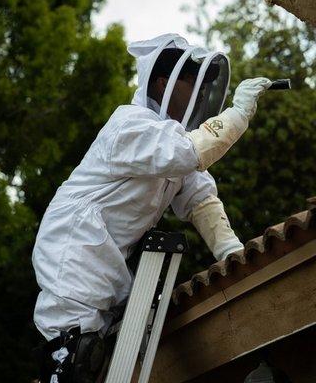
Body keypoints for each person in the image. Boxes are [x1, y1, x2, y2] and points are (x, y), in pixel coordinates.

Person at [32, 33, 271, 382]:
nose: (201, 95)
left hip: (107, 269)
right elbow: (191, 152)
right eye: (194, 84)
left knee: (104, 360)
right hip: (75, 257)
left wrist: (234, 254)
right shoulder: (130, 125)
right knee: (76, 359)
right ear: (164, 83)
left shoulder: (168, 139)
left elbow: (200, 197)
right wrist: (238, 114)